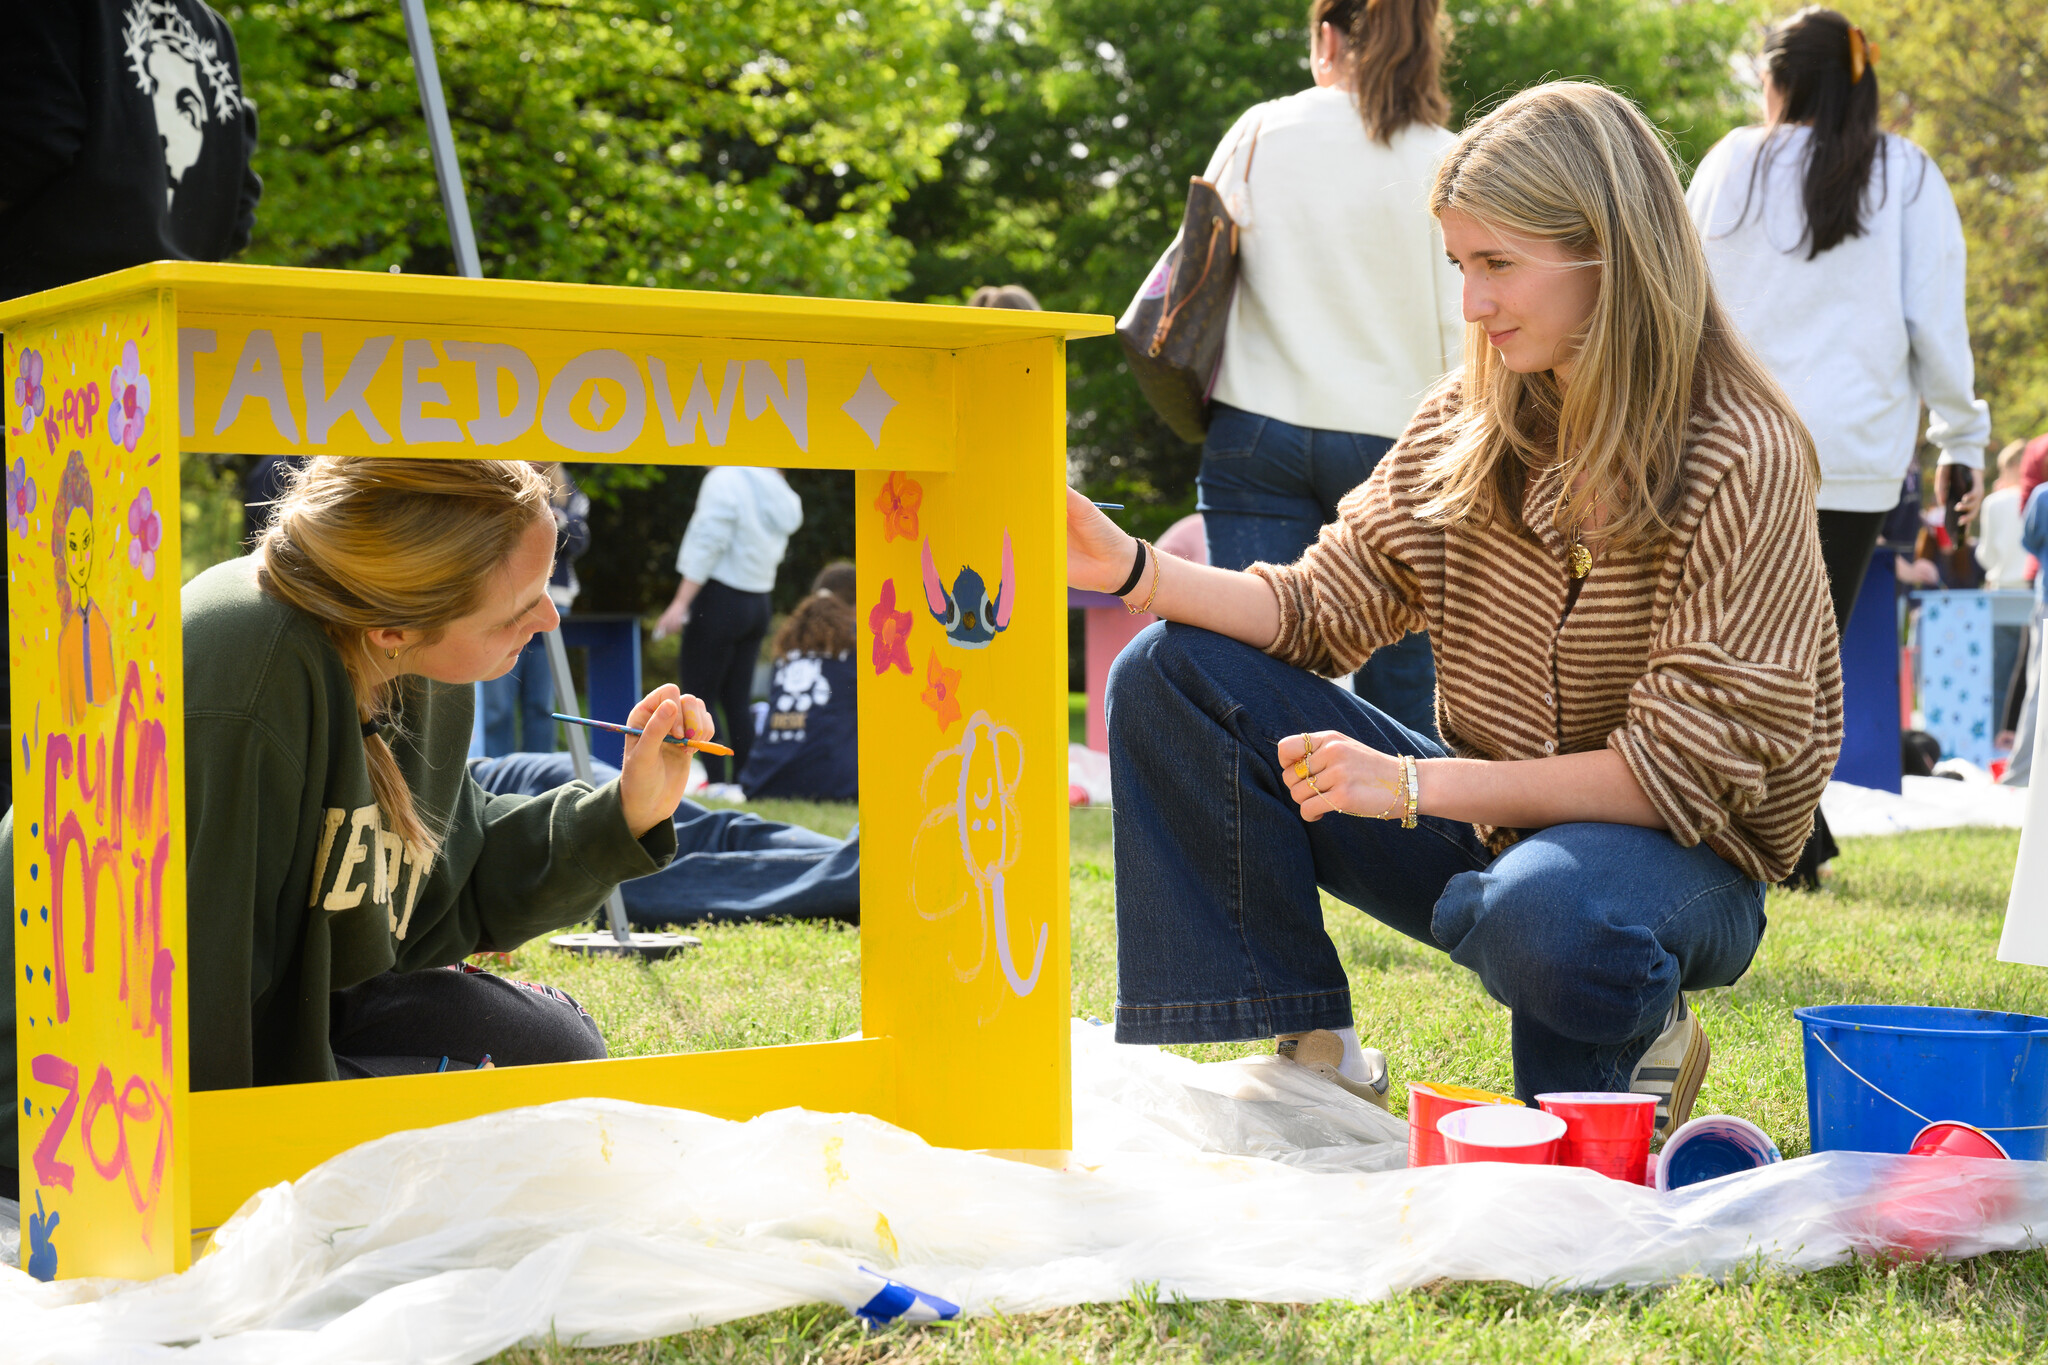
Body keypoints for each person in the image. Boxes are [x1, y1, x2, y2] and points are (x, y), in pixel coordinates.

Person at [1074, 83, 1839, 1140]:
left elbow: (1681, 774)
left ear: (1607, 252)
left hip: (1678, 859)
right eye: (1459, 267)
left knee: (1545, 923)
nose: (1470, 304)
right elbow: (1319, 603)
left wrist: (1408, 785)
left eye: (1496, 265)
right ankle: (1315, 1050)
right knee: (1166, 672)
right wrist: (1130, 572)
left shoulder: (1739, 448)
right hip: (1498, 831)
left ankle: (1642, 1018)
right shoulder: (1471, 419)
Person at [0, 459, 708, 1202]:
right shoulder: (249, 677)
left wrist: (627, 810)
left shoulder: (410, 653)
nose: (549, 619)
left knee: (558, 1050)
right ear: (394, 624)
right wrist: (233, 1201)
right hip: (83, 1090)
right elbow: (195, 1003)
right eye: (517, 608)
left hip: (295, 999)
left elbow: (440, 886)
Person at [1686, 8, 1990, 883]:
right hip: (1850, 456)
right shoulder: (1907, 175)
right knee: (1809, 659)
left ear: (1776, 82)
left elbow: (1685, 299)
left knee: (1731, 646)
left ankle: (1777, 833)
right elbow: (1935, 327)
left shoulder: (1731, 163)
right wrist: (1959, 439)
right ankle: (1789, 834)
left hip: (1726, 445)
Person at [1187, 0, 1463, 740]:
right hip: (1399, 447)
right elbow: (1464, 326)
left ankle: (1260, 851)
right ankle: (1415, 853)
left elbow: (1199, 273)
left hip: (1255, 430)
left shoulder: (1259, 131)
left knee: (1248, 668)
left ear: (1328, 36)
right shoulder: (1451, 157)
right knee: (1406, 700)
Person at [472, 751, 859, 926]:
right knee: (711, 832)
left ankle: (867, 875)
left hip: (513, 791)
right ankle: (874, 859)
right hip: (525, 776)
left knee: (621, 878)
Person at [655, 466, 804, 788]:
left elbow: (709, 540)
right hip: (759, 599)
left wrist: (681, 601)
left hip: (719, 598)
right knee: (737, 698)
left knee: (698, 695)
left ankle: (716, 780)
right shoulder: (776, 485)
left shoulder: (724, 478)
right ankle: (743, 782)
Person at [482, 463, 590, 756]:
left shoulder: (569, 488)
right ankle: (496, 771)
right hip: (505, 598)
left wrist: (559, 520)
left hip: (557, 599)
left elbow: (580, 542)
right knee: (497, 703)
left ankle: (540, 775)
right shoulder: (499, 474)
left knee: (542, 701)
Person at [735, 562, 859, 801]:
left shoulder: (789, 639)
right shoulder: (859, 640)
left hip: (766, 780)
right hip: (835, 783)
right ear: (856, 605)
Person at [1977, 442, 2030, 592]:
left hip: (2002, 587)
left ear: (2012, 466)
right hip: (2036, 587)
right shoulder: (2041, 499)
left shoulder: (1993, 502)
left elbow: (1986, 556)